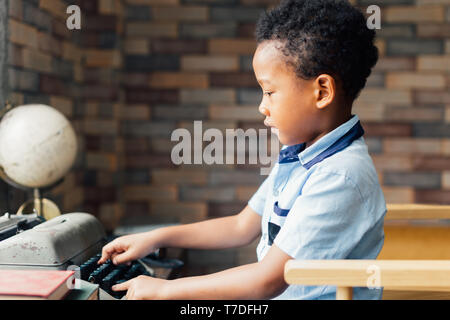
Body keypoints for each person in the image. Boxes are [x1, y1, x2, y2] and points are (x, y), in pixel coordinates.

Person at [98, 0, 386, 300]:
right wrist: (156, 237)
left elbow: (266, 281)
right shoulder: (303, 154)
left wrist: (165, 290)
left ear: (322, 91)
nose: (262, 106)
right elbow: (241, 226)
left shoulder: (340, 175)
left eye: (270, 91)